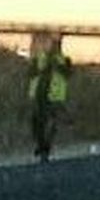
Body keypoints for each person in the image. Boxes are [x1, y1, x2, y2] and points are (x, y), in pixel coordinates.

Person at [27, 32, 73, 161]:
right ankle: (42, 146)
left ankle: (45, 148)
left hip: (54, 97)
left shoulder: (64, 60)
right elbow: (31, 73)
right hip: (39, 95)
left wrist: (55, 66)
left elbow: (67, 74)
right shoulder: (39, 58)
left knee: (50, 124)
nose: (51, 47)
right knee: (37, 124)